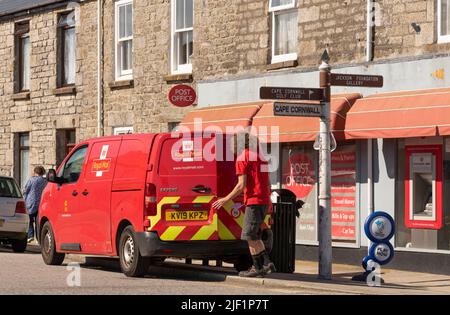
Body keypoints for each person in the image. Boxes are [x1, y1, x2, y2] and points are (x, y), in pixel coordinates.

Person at [213, 132, 276, 278]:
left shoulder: (242, 158)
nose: (230, 146)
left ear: (239, 144)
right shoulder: (260, 157)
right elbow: (267, 183)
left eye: (232, 143)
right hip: (263, 200)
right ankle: (263, 265)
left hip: (254, 201)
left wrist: (225, 199)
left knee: (248, 235)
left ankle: (260, 265)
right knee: (253, 235)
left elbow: (241, 185)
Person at [23, 166, 47, 243]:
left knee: (29, 219)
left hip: (31, 203)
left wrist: (24, 198)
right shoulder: (45, 181)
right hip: (41, 203)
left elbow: (25, 190)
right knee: (38, 222)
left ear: (35, 172)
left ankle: (30, 235)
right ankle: (38, 238)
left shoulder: (31, 180)